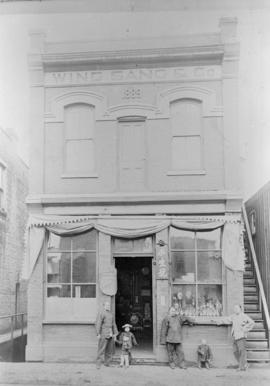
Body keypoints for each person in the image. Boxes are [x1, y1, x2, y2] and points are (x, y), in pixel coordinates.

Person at [214, 304, 255, 371]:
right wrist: (217, 321)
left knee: (242, 351)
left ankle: (241, 367)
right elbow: (226, 320)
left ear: (240, 309)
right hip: (235, 336)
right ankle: (244, 364)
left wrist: (245, 328)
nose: (235, 310)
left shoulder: (244, 316)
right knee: (235, 351)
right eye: (234, 308)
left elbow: (252, 322)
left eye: (237, 308)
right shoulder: (233, 316)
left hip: (241, 336)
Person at [95, 300, 118, 369]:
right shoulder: (101, 313)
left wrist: (115, 333)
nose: (108, 306)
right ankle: (98, 364)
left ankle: (107, 363)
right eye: (107, 305)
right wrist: (98, 333)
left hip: (110, 333)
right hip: (104, 333)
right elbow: (98, 323)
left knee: (109, 349)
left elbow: (113, 324)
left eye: (109, 305)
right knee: (101, 349)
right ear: (104, 306)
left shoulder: (111, 314)